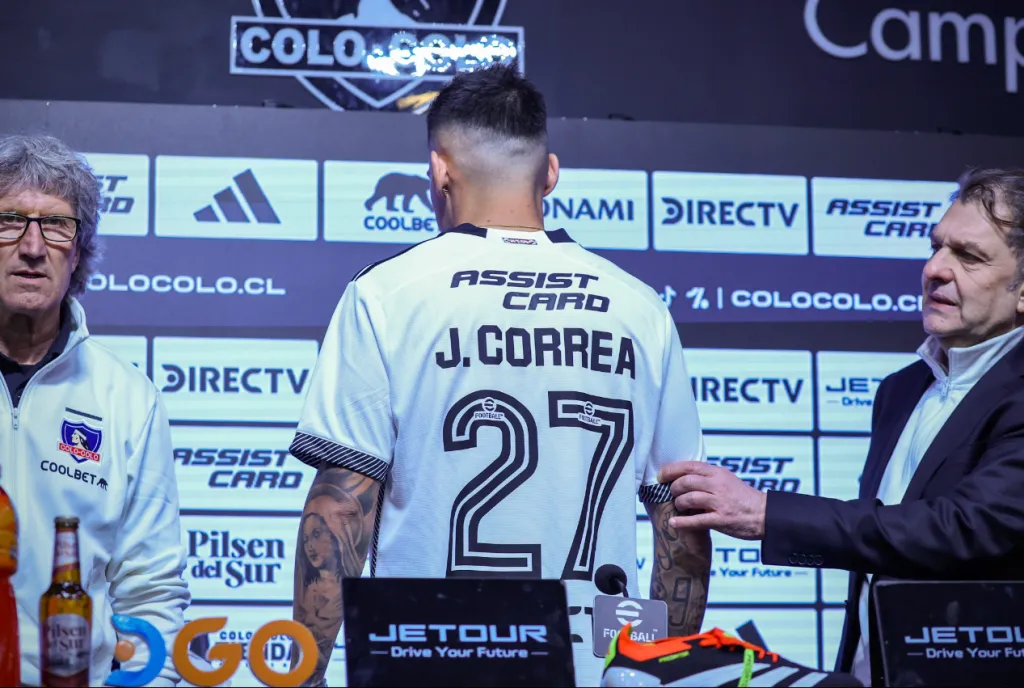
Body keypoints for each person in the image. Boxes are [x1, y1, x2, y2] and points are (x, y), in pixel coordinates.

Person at [289, 63, 711, 686]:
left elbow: (340, 508)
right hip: (591, 661)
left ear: (438, 170)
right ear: (551, 174)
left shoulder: (386, 293)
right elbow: (682, 523)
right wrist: (653, 674)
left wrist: (305, 674)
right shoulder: (641, 307)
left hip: (424, 655)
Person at [660, 168, 1024, 685]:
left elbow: (961, 528)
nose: (936, 269)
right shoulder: (901, 390)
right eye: (936, 246)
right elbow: (882, 552)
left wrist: (768, 513)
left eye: (968, 256)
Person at [0, 134, 190, 686]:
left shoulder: (127, 398)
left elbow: (152, 592)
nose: (33, 247)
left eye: (56, 225)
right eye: (10, 220)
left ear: (79, 251)